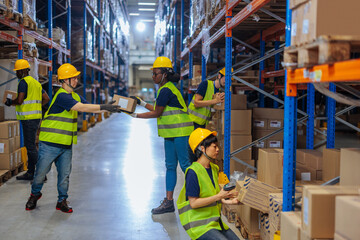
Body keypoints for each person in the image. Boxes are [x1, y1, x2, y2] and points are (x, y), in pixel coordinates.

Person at [25, 63, 122, 213]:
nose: (76, 81)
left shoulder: (75, 96)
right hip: (49, 143)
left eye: (76, 78)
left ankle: (62, 200)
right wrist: (104, 107)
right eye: (73, 78)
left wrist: (108, 106)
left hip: (65, 144)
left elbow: (89, 106)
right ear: (65, 81)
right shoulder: (62, 96)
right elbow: (81, 108)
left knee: (64, 176)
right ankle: (34, 195)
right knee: (40, 174)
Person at [129, 56, 194, 215]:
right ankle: (168, 202)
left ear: (165, 74)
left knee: (185, 166)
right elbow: (160, 108)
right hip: (171, 132)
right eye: (152, 74)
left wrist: (136, 116)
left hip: (181, 131)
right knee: (170, 166)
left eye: (156, 74)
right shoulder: (166, 89)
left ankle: (200, 196)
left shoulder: (167, 89)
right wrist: (141, 103)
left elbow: (157, 113)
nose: (153, 77)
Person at [177, 128, 240, 240]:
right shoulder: (193, 172)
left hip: (214, 222)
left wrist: (229, 200)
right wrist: (219, 196)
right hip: (199, 225)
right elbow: (194, 203)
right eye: (214, 146)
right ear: (202, 148)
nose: (218, 150)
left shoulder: (214, 169)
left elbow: (214, 197)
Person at [5, 59, 50, 181]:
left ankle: (41, 174)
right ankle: (31, 173)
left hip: (28, 119)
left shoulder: (23, 82)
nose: (17, 73)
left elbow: (19, 100)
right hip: (35, 118)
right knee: (30, 146)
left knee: (30, 147)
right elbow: (46, 98)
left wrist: (10, 102)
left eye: (18, 71)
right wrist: (36, 106)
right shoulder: (35, 83)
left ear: (24, 70)